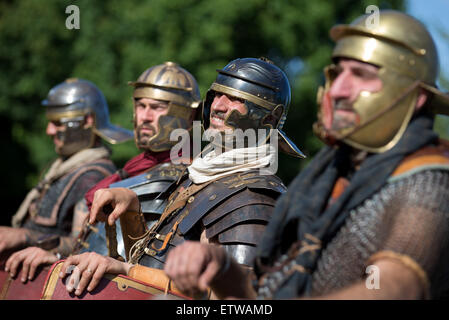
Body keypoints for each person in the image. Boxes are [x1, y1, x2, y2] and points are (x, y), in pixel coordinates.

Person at [163, 10, 449, 300]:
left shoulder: (427, 181)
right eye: (337, 74)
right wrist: (224, 271)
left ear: (415, 96)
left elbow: (398, 288)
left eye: (361, 75)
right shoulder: (327, 176)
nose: (338, 90)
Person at [59, 57, 305, 298]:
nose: (218, 106)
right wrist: (132, 208)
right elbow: (153, 258)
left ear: (269, 119)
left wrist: (127, 270)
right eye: (217, 95)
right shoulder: (201, 174)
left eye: (235, 99)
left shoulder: (253, 197)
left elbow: (236, 298)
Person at [4, 62, 200, 282]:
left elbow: (150, 267)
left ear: (189, 115)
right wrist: (56, 258)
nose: (145, 116)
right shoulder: (132, 170)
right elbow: (97, 248)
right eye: (140, 105)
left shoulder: (190, 179)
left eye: (156, 107)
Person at [1, 78, 133, 276]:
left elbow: (84, 246)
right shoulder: (63, 168)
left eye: (57, 123)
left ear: (87, 121)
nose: (49, 130)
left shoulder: (94, 176)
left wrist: (22, 236)